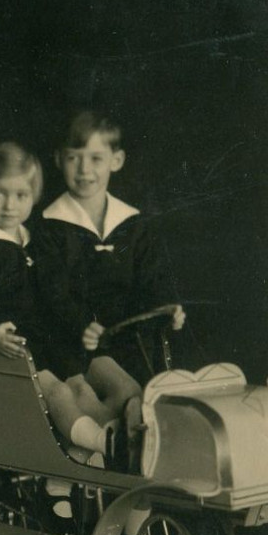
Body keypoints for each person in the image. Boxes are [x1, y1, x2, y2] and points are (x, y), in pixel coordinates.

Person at [0, 141, 120, 497]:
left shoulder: (32, 241)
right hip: (8, 346)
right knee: (57, 391)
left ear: (33, 196)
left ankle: (96, 451)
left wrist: (82, 322)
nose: (10, 206)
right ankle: (95, 447)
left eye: (21, 195)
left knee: (81, 387)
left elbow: (56, 294)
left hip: (45, 338)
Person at [37, 109, 186, 470]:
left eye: (96, 159)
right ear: (59, 160)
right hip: (74, 342)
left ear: (116, 161)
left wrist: (169, 306)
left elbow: (153, 278)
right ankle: (94, 452)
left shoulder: (133, 225)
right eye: (74, 158)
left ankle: (134, 461)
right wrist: (81, 324)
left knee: (150, 395)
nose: (84, 170)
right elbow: (52, 289)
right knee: (96, 394)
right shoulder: (50, 226)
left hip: (127, 340)